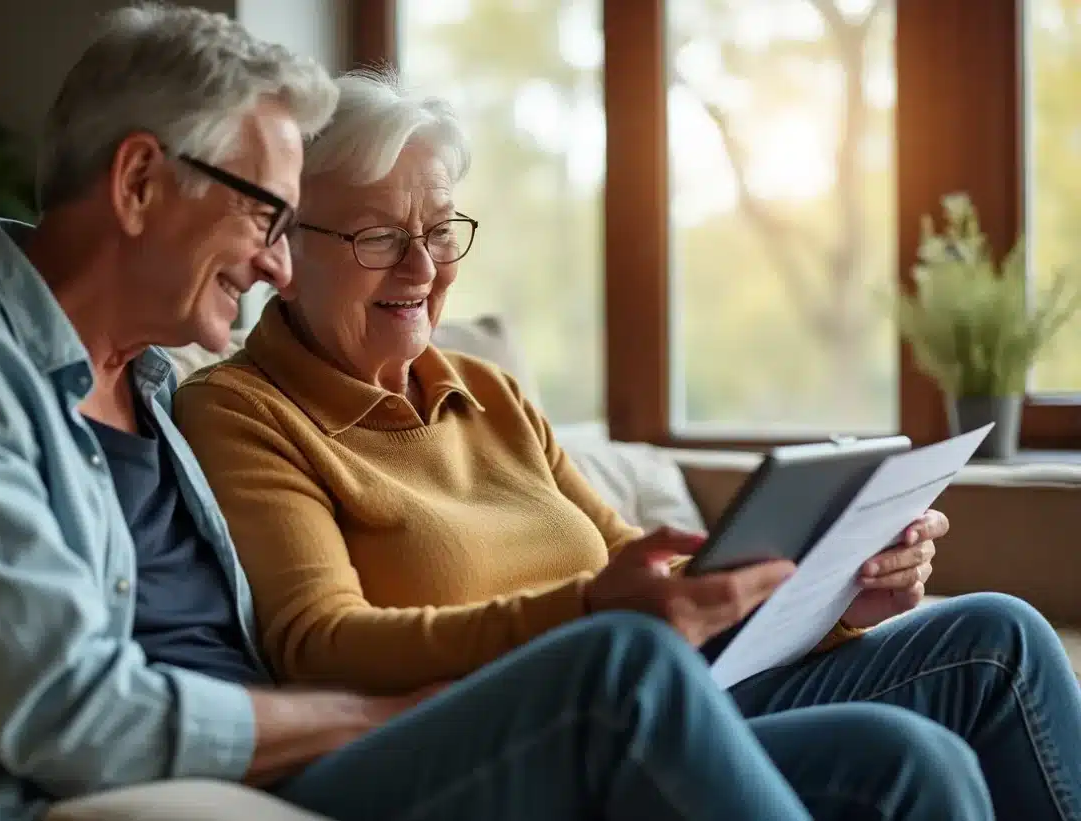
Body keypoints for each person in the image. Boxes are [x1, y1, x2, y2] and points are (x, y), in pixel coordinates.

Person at [0, 4, 1005, 821]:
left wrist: (823, 584)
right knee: (620, 669)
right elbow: (82, 711)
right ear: (137, 185)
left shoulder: (155, 386)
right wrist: (385, 711)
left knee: (916, 755)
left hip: (294, 748)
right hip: (230, 770)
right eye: (269, 215)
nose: (274, 261)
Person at [173, 68, 1081, 820]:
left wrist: (843, 593)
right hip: (530, 729)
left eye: (440, 230)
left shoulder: (488, 391)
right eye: (379, 237)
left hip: (669, 688)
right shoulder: (243, 409)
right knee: (903, 759)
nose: (422, 266)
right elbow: (319, 641)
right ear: (285, 250)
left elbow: (639, 573)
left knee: (998, 634)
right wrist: (587, 615)